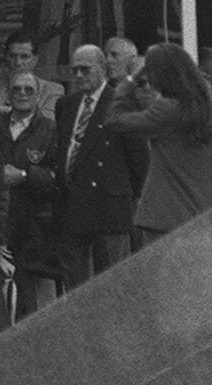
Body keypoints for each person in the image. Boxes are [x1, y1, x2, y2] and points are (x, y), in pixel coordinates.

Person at [101, 43, 212, 240]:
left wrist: (131, 80)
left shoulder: (167, 110)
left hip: (161, 217)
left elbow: (116, 120)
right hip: (201, 214)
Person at [49, 44, 144, 287]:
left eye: (85, 69)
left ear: (102, 69)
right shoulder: (66, 106)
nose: (79, 75)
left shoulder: (122, 102)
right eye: (75, 70)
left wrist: (131, 197)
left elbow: (139, 159)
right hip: (74, 203)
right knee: (75, 284)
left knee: (112, 283)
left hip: (110, 204)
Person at [0, 71, 59, 318]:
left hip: (35, 228)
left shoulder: (51, 129)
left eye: (28, 89)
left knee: (36, 308)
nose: (22, 94)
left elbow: (60, 178)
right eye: (16, 89)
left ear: (38, 94)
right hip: (0, 224)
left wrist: (24, 176)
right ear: (8, 94)